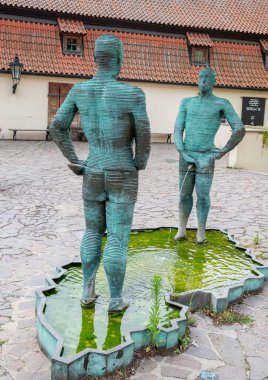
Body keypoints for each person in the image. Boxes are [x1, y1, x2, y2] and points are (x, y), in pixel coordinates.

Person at [50, 34, 151, 312]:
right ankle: (116, 299)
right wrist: (139, 162)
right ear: (119, 60)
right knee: (117, 236)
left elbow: (57, 126)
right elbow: (143, 133)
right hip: (122, 170)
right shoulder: (132, 93)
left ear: (96, 59)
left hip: (93, 168)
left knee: (92, 230)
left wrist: (74, 159)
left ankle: (87, 291)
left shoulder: (79, 91)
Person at [174, 68, 245, 243]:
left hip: (206, 156)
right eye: (201, 77)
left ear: (214, 81)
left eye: (207, 77)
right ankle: (181, 229)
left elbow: (239, 128)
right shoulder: (187, 103)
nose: (203, 80)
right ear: (197, 80)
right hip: (187, 155)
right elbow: (177, 129)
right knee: (184, 195)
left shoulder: (221, 103)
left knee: (203, 195)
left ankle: (200, 232)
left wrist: (220, 152)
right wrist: (182, 151)